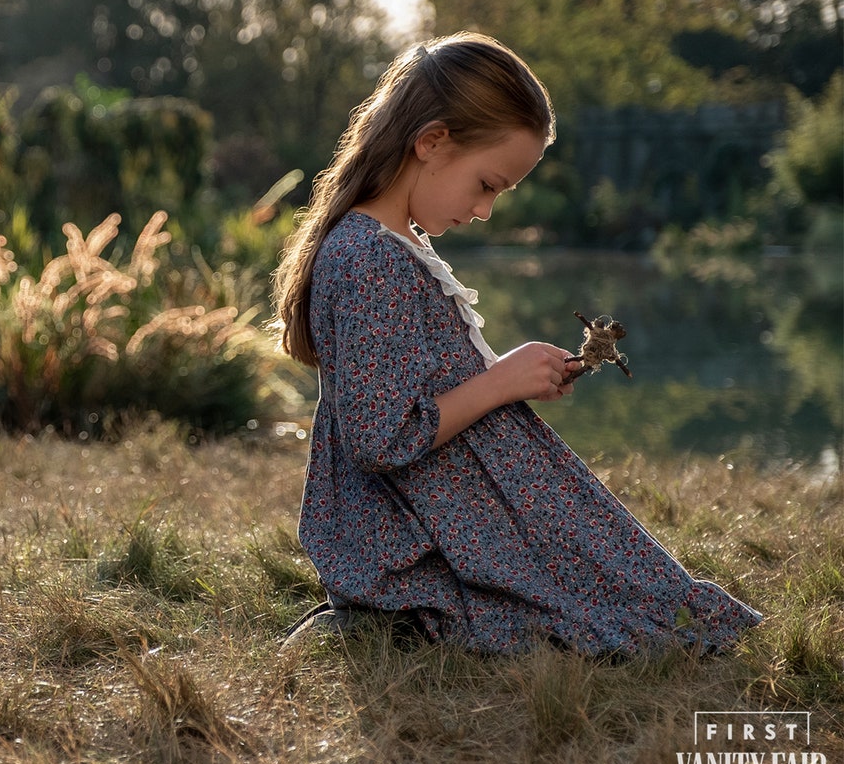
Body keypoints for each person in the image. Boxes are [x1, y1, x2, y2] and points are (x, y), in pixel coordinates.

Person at [271, 32, 762, 656]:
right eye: (486, 184)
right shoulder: (370, 258)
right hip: (407, 537)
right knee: (611, 620)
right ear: (431, 142)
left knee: (636, 599)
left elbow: (423, 391)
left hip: (446, 510)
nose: (486, 210)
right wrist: (499, 382)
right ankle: (389, 616)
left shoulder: (398, 246)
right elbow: (381, 437)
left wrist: (511, 375)